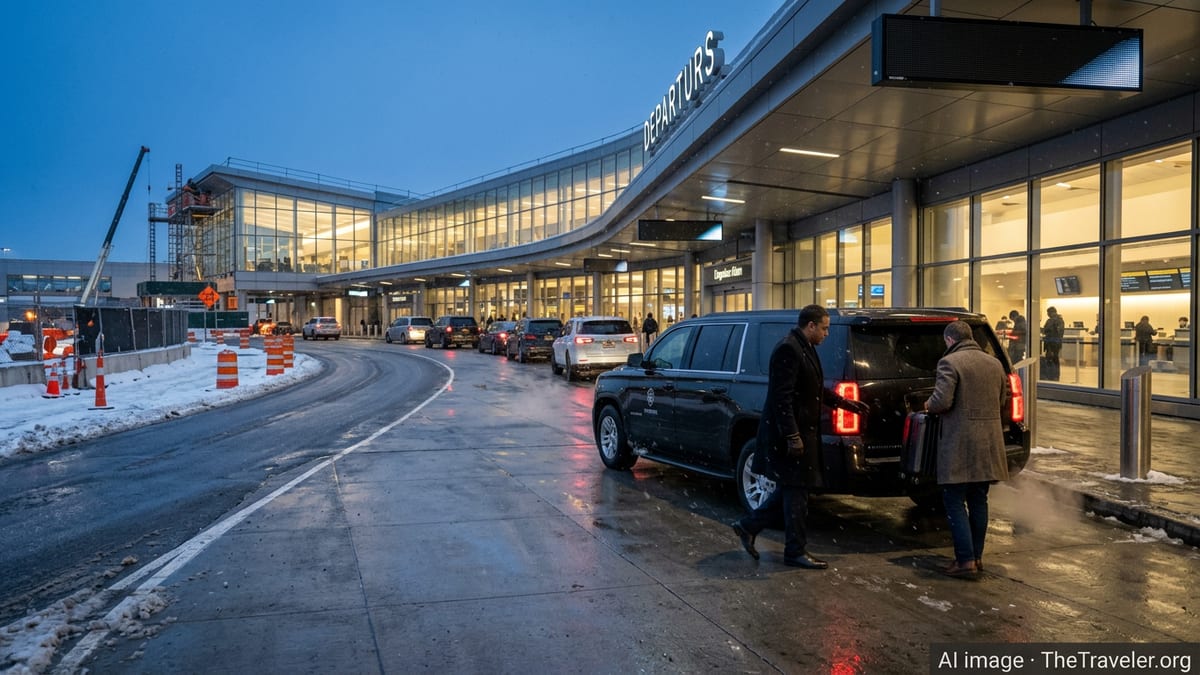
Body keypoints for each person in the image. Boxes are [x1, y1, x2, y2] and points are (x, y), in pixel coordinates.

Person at [731, 305, 871, 569]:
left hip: (801, 433)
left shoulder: (804, 348)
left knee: (791, 489)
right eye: (825, 328)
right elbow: (781, 398)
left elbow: (814, 390)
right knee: (797, 493)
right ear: (810, 326)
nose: (827, 334)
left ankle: (748, 526)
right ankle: (794, 550)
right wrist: (793, 435)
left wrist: (844, 404)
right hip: (791, 437)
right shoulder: (789, 349)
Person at [924, 320, 1011, 578]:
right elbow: (1002, 400)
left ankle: (965, 561)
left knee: (953, 500)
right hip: (988, 442)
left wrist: (927, 405)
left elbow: (941, 401)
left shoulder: (950, 362)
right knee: (978, 499)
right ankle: (977, 556)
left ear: (949, 340)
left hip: (960, 443)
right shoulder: (995, 363)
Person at [1041, 307, 1065, 381]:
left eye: (1048, 312)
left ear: (1052, 312)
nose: (1047, 314)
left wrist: (1047, 331)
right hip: (1051, 342)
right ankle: (1051, 375)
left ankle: (1054, 376)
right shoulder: (1053, 320)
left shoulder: (1057, 320)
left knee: (1054, 359)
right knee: (1050, 359)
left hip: (1053, 342)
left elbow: (1058, 332)